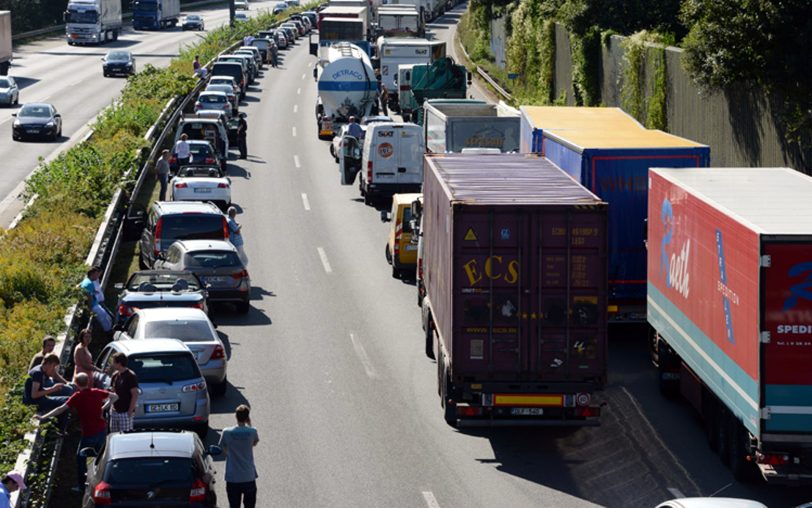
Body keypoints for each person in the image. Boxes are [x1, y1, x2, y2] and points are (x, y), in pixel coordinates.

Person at [35, 373, 117, 494]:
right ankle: (106, 484)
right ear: (88, 381)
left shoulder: (77, 397)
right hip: (101, 430)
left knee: (80, 459)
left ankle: (82, 487)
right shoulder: (96, 392)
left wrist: (43, 417)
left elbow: (60, 409)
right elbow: (115, 397)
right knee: (102, 459)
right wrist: (103, 407)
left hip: (89, 433)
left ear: (77, 384)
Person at [219, 404, 259, 508]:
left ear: (236, 416)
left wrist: (229, 453)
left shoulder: (227, 432)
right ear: (247, 417)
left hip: (233, 477)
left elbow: (222, 447)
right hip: (248, 476)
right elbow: (254, 443)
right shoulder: (252, 431)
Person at [108, 352, 138, 433]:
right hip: (114, 412)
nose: (112, 364)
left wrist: (130, 412)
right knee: (113, 436)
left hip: (125, 412)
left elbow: (135, 394)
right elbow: (112, 392)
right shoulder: (115, 375)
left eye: (114, 362)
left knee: (125, 436)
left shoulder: (130, 376)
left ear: (119, 363)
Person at [80, 267, 113, 334]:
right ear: (92, 274)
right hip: (93, 306)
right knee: (104, 318)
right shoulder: (89, 284)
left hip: (95, 304)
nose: (98, 275)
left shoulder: (88, 281)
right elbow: (89, 297)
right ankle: (109, 333)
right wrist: (90, 310)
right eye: (96, 274)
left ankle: (109, 331)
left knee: (107, 317)